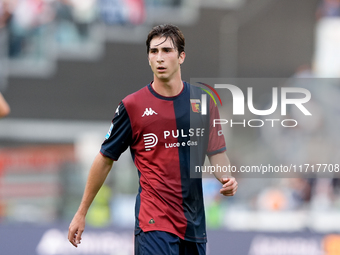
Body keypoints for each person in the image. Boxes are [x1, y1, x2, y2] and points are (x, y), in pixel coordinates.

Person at [68, 24, 238, 255]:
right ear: (148, 58)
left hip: (194, 224)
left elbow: (217, 154)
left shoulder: (203, 102)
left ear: (181, 57)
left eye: (166, 51)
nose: (159, 58)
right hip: (153, 222)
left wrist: (226, 179)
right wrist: (81, 211)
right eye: (153, 51)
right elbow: (105, 159)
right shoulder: (132, 106)